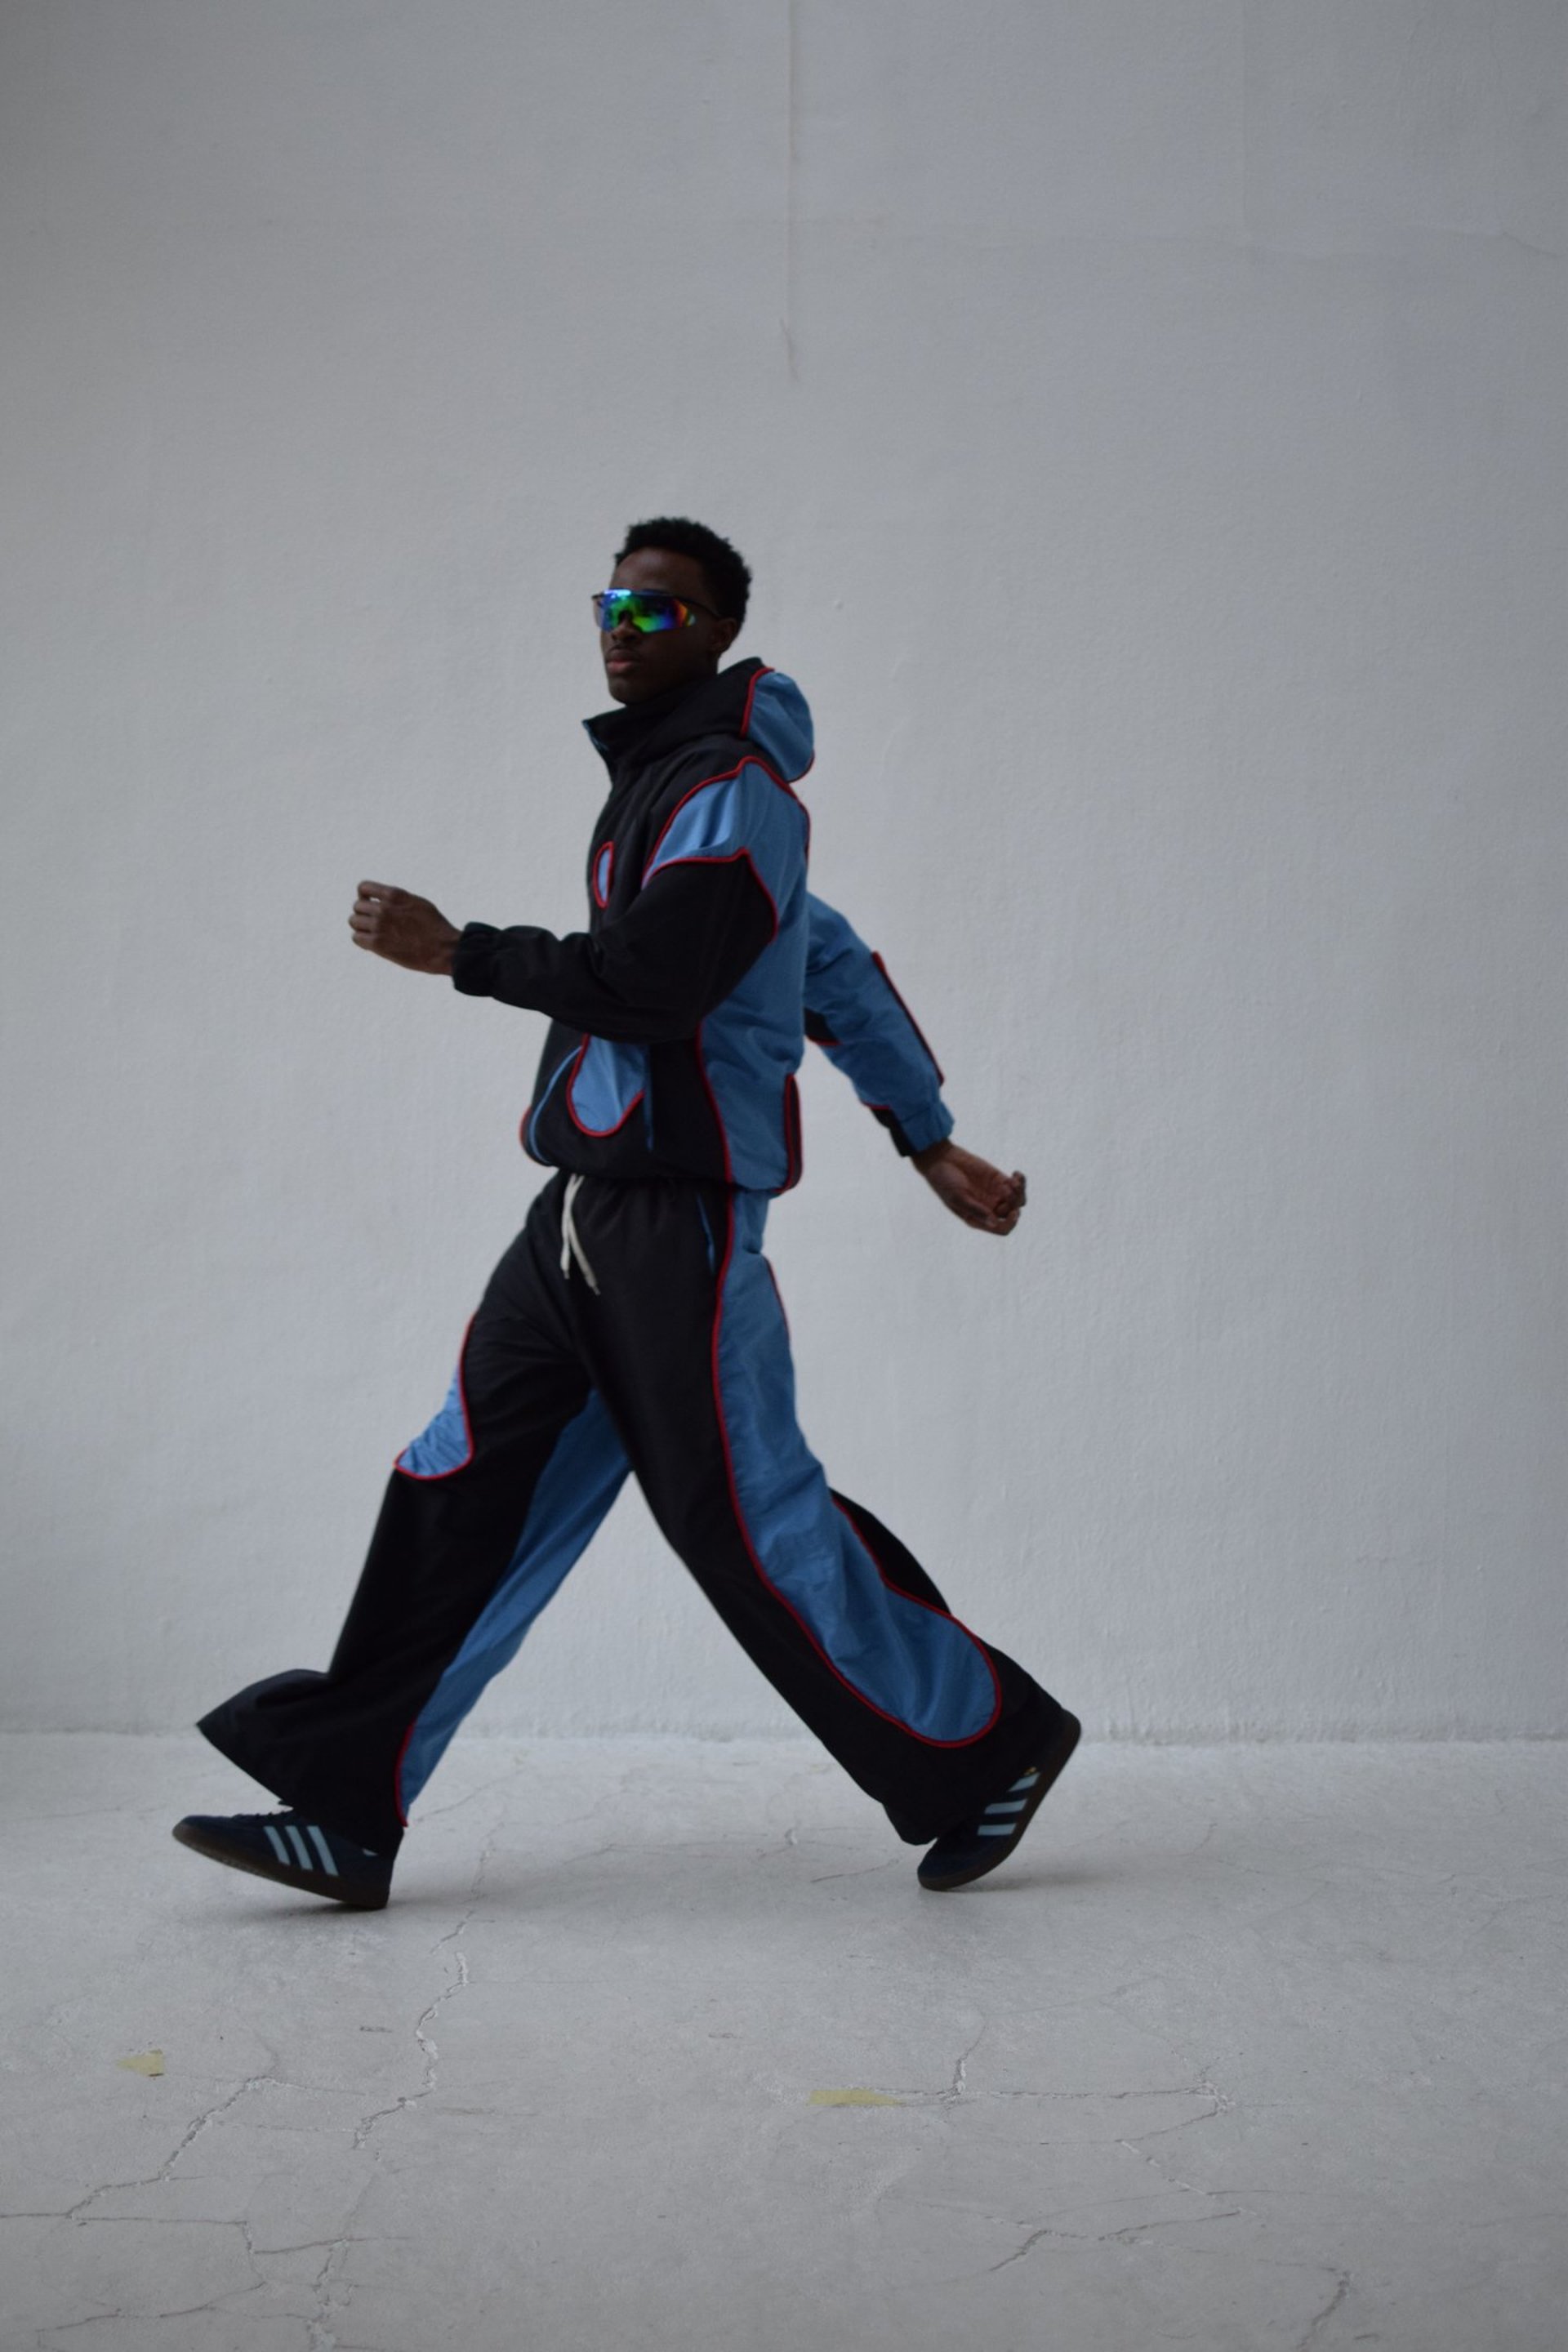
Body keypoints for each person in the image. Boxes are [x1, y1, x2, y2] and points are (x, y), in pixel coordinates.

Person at [173, 516, 1080, 1910]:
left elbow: (657, 985)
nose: (623, 627)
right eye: (612, 604)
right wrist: (930, 1136)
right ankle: (350, 1805)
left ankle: (988, 1745)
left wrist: (460, 952)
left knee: (745, 1518)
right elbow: (828, 959)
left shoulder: (736, 791)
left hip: (677, 1232)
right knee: (459, 1480)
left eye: (658, 610)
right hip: (580, 1217)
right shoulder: (668, 784)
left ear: (719, 633)